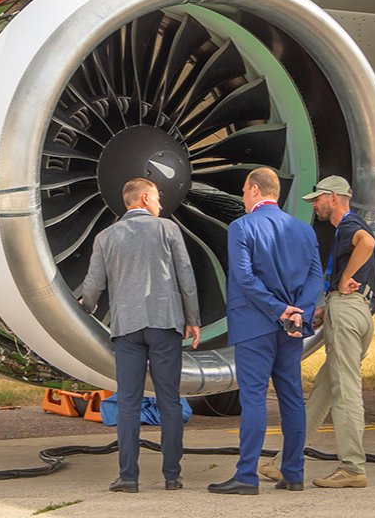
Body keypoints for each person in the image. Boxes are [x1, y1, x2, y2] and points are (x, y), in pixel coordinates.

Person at [79, 178, 201, 493]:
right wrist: (193, 319)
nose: (160, 204)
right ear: (145, 198)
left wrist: (86, 307)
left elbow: (93, 285)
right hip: (164, 323)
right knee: (169, 401)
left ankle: (128, 477)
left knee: (130, 402)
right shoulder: (168, 230)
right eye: (158, 198)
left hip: (127, 327)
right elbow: (185, 275)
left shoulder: (105, 237)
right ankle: (172, 476)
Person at [260, 175, 375, 489]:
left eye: (318, 199)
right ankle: (284, 462)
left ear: (334, 197)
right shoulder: (350, 228)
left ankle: (353, 467)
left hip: (348, 310)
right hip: (357, 312)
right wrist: (327, 309)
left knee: (345, 391)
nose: (315, 205)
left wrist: (344, 282)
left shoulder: (350, 227)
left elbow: (367, 244)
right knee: (324, 392)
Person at [208, 167, 322, 495]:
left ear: (256, 191)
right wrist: (298, 312)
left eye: (244, 191)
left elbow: (244, 277)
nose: (243, 197)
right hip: (292, 329)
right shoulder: (303, 230)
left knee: (254, 398)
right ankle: (294, 472)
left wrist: (276, 309)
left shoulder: (242, 227)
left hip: (255, 326)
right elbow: (316, 277)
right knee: (291, 398)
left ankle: (246, 476)